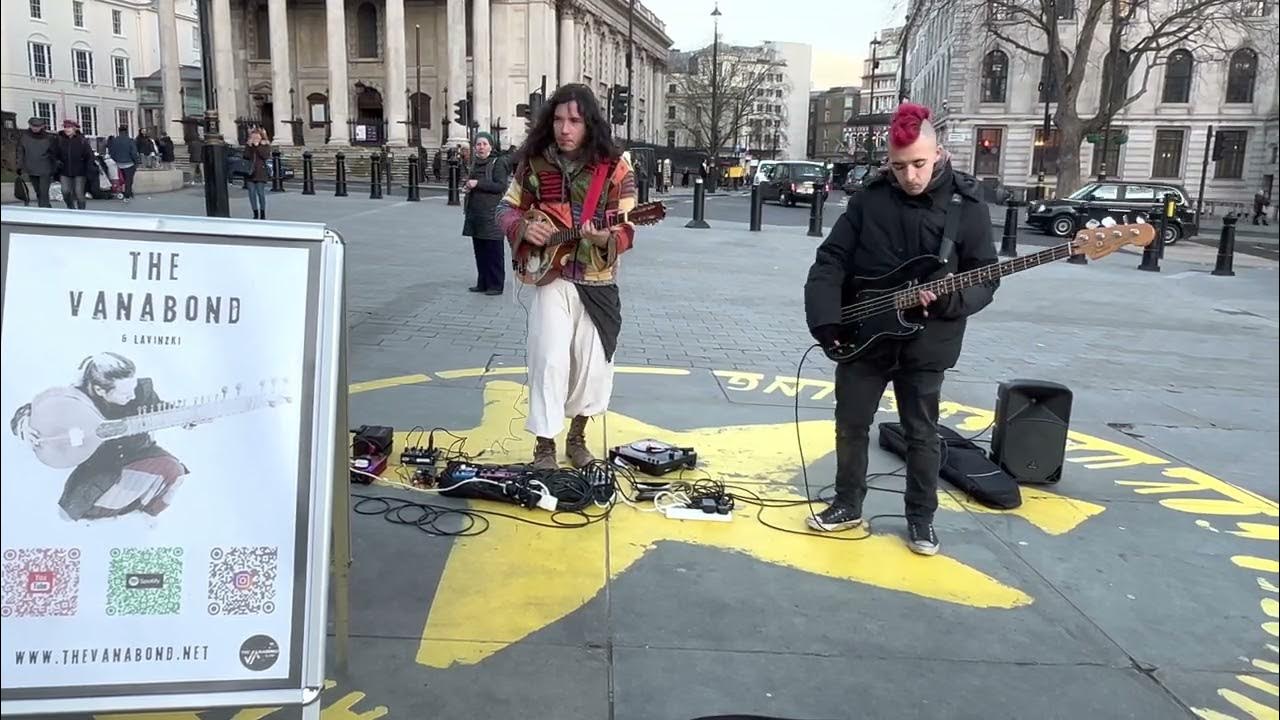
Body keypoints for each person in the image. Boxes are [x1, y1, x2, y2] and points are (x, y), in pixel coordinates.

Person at [802, 102, 999, 556]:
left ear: (939, 153)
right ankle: (847, 502)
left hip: (928, 341)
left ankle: (921, 519)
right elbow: (831, 259)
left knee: (921, 432)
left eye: (919, 164)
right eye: (898, 166)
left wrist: (952, 297)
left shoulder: (966, 207)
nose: (910, 176)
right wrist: (827, 317)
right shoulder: (869, 199)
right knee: (850, 423)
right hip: (864, 330)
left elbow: (986, 276)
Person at [496, 83, 638, 470]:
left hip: (597, 280)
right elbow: (506, 209)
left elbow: (627, 229)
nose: (564, 128)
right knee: (548, 360)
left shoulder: (616, 169)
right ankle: (545, 444)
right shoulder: (534, 164)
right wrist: (523, 228)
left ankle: (577, 436)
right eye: (558, 119)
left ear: (589, 124)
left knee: (592, 366)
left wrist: (605, 236)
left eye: (574, 120)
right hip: (550, 279)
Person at [10, 353, 190, 522]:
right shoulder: (79, 399)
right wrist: (23, 422)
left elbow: (161, 409)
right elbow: (40, 408)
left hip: (140, 453)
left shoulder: (141, 391)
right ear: (99, 390)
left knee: (175, 471)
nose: (133, 395)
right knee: (76, 514)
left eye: (133, 388)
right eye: (125, 393)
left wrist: (187, 416)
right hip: (102, 467)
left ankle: (145, 519)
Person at [463, 132, 511, 295]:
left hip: (492, 214)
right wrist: (469, 186)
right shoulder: (475, 163)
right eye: (478, 144)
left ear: (491, 146)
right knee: (480, 250)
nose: (481, 147)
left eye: (484, 144)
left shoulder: (498, 163)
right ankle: (482, 282)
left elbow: (500, 186)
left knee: (493, 251)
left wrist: (478, 183)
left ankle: (496, 285)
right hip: (476, 215)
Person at [16, 116, 58, 208]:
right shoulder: (24, 137)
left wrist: (54, 168)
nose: (35, 128)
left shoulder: (49, 138)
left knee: (44, 191)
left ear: (42, 126)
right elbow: (20, 151)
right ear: (30, 125)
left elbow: (54, 154)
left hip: (45, 168)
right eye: (33, 126)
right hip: (31, 167)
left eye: (38, 126)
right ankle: (45, 207)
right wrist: (19, 166)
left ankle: (44, 210)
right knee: (38, 191)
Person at [54, 119, 95, 210]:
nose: (67, 129)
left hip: (80, 171)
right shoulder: (60, 140)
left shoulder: (82, 141)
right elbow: (54, 153)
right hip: (64, 170)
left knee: (79, 193)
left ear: (75, 129)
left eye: (69, 127)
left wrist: (88, 168)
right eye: (65, 127)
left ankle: (81, 211)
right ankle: (71, 207)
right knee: (65, 191)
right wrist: (57, 161)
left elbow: (89, 156)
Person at [243, 128, 272, 219]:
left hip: (260, 172)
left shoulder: (265, 145)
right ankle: (255, 212)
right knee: (251, 193)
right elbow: (246, 156)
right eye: (253, 136)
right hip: (250, 172)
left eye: (257, 136)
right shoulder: (249, 146)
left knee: (260, 193)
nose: (255, 138)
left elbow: (265, 156)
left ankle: (262, 213)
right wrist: (250, 146)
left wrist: (258, 146)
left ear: (261, 137)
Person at [106, 125, 139, 201]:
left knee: (122, 179)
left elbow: (111, 152)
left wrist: (116, 159)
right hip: (129, 163)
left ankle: (123, 192)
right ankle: (127, 194)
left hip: (118, 163)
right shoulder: (130, 140)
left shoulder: (114, 141)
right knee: (129, 180)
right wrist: (136, 162)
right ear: (126, 131)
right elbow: (133, 153)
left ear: (119, 131)